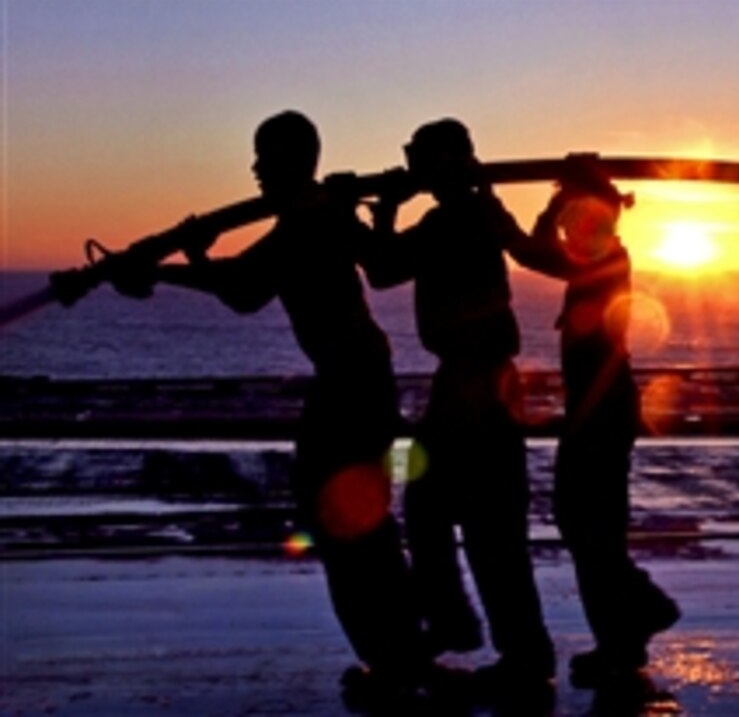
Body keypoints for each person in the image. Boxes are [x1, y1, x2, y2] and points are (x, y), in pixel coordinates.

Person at [123, 111, 430, 707]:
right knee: (357, 525)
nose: (256, 169)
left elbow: (242, 285)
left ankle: (396, 660)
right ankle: (400, 654)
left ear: (297, 159)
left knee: (348, 527)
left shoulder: (311, 218)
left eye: (267, 157)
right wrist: (184, 265)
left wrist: (177, 264)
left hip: (353, 385)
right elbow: (250, 290)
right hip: (355, 380)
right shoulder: (315, 213)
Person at [365, 118, 556, 697]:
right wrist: (385, 213)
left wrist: (383, 215)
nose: (413, 165)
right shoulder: (451, 217)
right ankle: (493, 638)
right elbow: (383, 270)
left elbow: (381, 268)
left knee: (475, 520)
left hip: (479, 384)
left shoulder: (468, 216)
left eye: (419, 157)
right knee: (451, 513)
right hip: (463, 381)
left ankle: (499, 643)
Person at [517, 158, 680, 688]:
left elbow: (533, 253)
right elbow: (546, 250)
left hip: (600, 410)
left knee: (587, 525)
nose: (565, 223)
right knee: (588, 528)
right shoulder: (594, 253)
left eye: (572, 213)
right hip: (595, 406)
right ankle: (623, 639)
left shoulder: (604, 254)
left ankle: (637, 615)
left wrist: (551, 206)